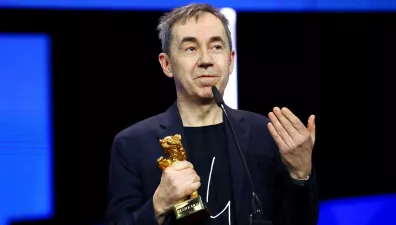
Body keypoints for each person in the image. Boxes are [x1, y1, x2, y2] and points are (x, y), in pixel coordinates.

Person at [105, 3, 319, 225]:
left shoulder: (265, 134)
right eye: (191, 48)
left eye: (216, 46)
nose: (206, 60)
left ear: (230, 60)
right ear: (166, 64)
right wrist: (158, 204)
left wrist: (302, 174)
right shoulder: (132, 145)